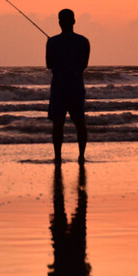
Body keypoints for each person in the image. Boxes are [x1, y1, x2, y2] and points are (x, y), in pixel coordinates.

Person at [46, 9, 89, 162]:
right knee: (80, 122)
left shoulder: (52, 42)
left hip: (59, 87)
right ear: (74, 21)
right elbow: (84, 64)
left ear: (59, 22)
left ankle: (58, 156)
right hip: (76, 85)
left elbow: (49, 64)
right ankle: (81, 155)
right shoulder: (84, 41)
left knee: (58, 123)